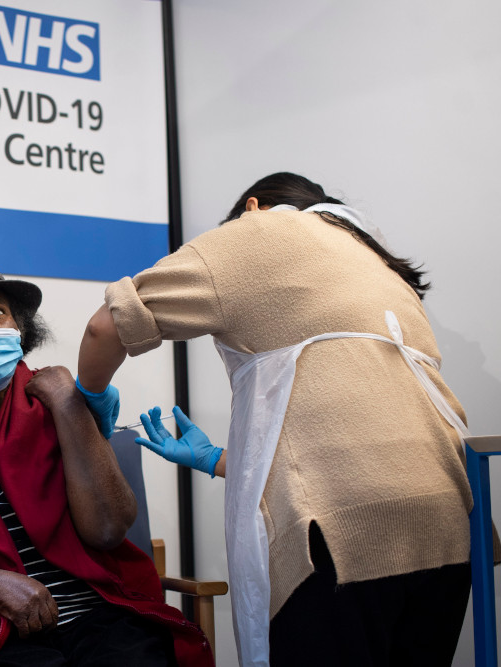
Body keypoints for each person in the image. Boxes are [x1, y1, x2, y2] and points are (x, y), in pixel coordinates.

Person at [76, 173, 477, 667]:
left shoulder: (259, 231)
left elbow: (104, 328)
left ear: (252, 207)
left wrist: (89, 399)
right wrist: (218, 459)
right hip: (447, 522)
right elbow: (353, 421)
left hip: (338, 535)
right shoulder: (375, 261)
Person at [0, 254, 213, 667]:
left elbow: (108, 529)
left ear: (19, 330)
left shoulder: (57, 400)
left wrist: (69, 406)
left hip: (97, 613)